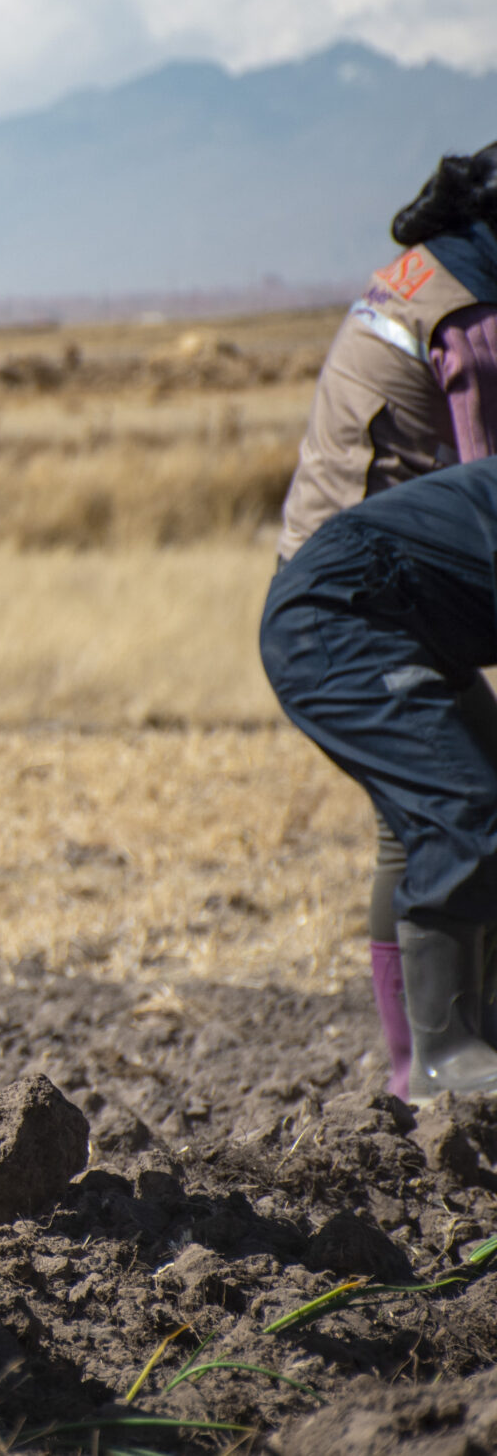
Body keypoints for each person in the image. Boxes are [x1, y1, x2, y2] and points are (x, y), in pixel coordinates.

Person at [274, 142, 497, 1098]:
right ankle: (433, 1067)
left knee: (432, 816)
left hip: (346, 566)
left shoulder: (426, 271)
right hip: (375, 588)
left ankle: (432, 1063)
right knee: (450, 809)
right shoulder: (471, 314)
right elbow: (486, 484)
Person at [265, 454, 497, 1100]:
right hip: (337, 618)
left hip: (404, 621)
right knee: (464, 805)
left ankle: (483, 1033)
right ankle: (442, 1058)